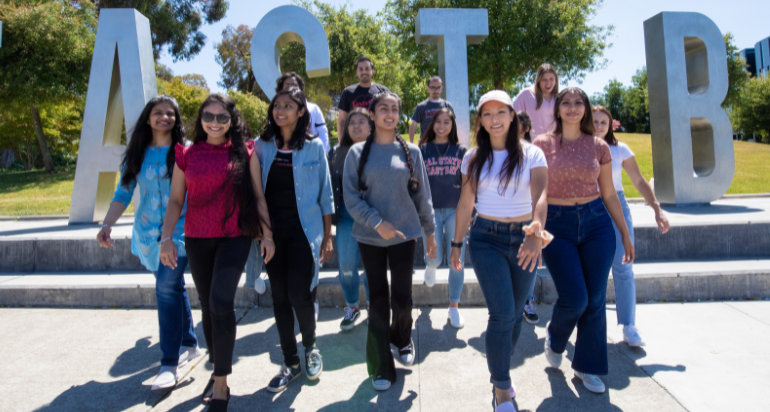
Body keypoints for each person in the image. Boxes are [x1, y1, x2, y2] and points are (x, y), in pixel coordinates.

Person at [160, 94, 274, 411]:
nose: (215, 122)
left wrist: (268, 235)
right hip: (197, 238)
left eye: (222, 117)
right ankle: (216, 367)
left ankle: (221, 382)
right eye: (209, 116)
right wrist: (166, 237)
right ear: (200, 119)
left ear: (231, 121)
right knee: (209, 306)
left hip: (233, 237)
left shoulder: (244, 151)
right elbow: (175, 200)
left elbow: (258, 195)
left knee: (221, 302)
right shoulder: (187, 153)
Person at [450, 91, 549, 412]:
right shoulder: (473, 157)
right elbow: (465, 203)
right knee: (502, 314)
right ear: (480, 119)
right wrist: (456, 243)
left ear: (512, 116)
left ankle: (499, 374)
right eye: (487, 113)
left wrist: (536, 232)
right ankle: (502, 390)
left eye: (501, 112)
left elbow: (541, 196)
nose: (494, 119)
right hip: (485, 239)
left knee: (516, 315)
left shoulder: (533, 154)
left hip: (524, 239)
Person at [533, 87, 634, 395]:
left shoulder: (598, 146)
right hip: (558, 225)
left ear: (586, 109)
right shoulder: (542, 144)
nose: (573, 108)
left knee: (595, 299)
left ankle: (586, 366)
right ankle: (556, 338)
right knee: (575, 298)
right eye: (567, 103)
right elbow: (538, 194)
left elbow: (608, 193)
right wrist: (534, 231)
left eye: (579, 103)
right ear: (558, 109)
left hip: (596, 224)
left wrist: (625, 234)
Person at [97, 96, 201, 391]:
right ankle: (189, 343)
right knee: (173, 287)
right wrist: (107, 224)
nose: (164, 118)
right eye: (158, 113)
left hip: (179, 234)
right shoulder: (136, 154)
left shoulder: (186, 151)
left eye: (170, 114)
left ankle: (169, 362)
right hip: (147, 237)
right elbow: (122, 194)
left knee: (166, 287)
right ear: (148, 118)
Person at [343, 91, 437, 391]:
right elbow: (351, 199)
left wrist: (430, 231)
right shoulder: (356, 154)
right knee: (379, 301)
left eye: (395, 109)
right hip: (369, 238)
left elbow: (422, 196)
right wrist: (377, 223)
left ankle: (402, 337)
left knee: (403, 299)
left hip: (404, 236)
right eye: (383, 108)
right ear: (372, 114)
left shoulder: (412, 152)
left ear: (399, 116)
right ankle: (382, 366)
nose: (389, 114)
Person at [256, 88, 335, 393]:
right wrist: (264, 234)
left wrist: (327, 237)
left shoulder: (315, 148)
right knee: (279, 298)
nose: (280, 110)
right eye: (276, 105)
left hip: (306, 234)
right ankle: (290, 362)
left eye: (288, 106)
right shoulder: (262, 147)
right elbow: (256, 192)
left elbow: (326, 196)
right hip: (272, 237)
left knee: (300, 294)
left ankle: (311, 347)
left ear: (301, 112)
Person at [593, 106, 670, 347]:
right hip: (589, 208)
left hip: (618, 207)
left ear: (610, 124)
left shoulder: (621, 149)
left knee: (624, 267)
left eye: (603, 121)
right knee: (591, 272)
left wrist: (656, 208)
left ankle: (629, 326)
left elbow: (638, 180)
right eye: (594, 121)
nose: (598, 126)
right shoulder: (580, 149)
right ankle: (586, 327)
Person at [513, 63, 559, 325]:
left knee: (540, 231)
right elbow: (514, 121)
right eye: (545, 78)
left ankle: (527, 297)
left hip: (550, 162)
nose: (549, 83)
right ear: (538, 79)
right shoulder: (525, 96)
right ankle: (522, 298)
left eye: (552, 79)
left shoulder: (561, 100)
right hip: (526, 163)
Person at [418, 108, 468, 328]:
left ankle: (453, 306)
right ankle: (430, 266)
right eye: (438, 122)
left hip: (456, 211)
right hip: (431, 211)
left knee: (457, 261)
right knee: (435, 257)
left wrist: (470, 213)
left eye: (446, 122)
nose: (441, 126)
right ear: (432, 124)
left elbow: (468, 185)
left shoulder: (461, 151)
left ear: (452, 125)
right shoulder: (423, 150)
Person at [328, 108, 371, 330]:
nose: (355, 126)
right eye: (351, 122)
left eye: (361, 121)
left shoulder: (380, 150)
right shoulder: (336, 152)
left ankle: (374, 307)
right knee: (345, 266)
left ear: (370, 126)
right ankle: (352, 306)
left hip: (375, 219)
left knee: (375, 268)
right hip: (346, 217)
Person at [337, 56, 390, 134]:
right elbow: (342, 120)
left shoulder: (383, 91)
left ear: (372, 71)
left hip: (379, 140)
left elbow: (390, 117)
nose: (364, 72)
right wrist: (342, 144)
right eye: (361, 69)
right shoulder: (347, 92)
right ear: (356, 72)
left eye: (367, 69)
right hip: (355, 141)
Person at [409, 76, 455, 143]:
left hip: (444, 144)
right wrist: (411, 143)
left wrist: (453, 141)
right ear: (428, 89)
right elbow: (413, 124)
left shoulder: (447, 106)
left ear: (441, 89)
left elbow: (453, 125)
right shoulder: (421, 106)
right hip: (425, 145)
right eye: (433, 88)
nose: (436, 90)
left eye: (438, 88)